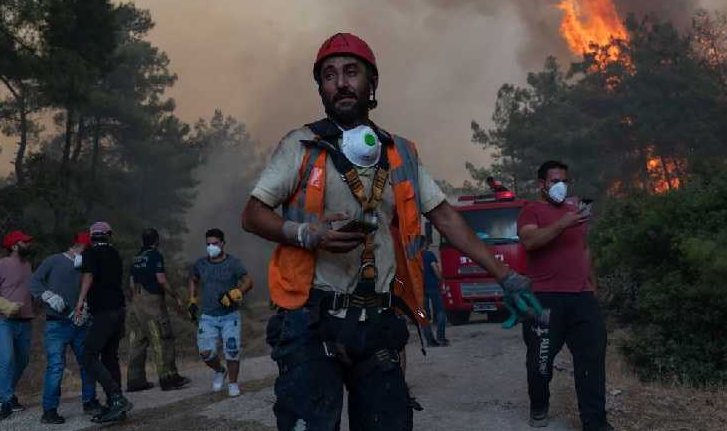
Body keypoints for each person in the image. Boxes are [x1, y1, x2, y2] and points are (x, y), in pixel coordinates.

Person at [241, 32, 542, 431]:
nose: (341, 82)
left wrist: (506, 276)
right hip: (311, 322)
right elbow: (252, 214)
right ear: (321, 88)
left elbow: (447, 218)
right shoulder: (300, 145)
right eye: (329, 75)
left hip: (378, 321)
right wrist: (304, 233)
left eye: (351, 72)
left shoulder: (399, 152)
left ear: (372, 83)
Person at [517, 160, 613, 431]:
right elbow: (530, 242)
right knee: (540, 363)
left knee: (591, 359)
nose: (560, 186)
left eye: (564, 181)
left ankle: (595, 422)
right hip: (544, 299)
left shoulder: (576, 210)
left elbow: (583, 248)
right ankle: (539, 404)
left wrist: (592, 283)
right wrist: (563, 223)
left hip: (582, 297)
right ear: (541, 184)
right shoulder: (530, 211)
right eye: (554, 180)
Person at [30, 231, 104, 424]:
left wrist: (87, 306)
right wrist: (48, 296)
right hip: (56, 323)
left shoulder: (84, 266)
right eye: (88, 250)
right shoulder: (53, 261)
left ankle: (90, 401)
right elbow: (34, 281)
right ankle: (49, 411)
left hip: (79, 323)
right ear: (80, 247)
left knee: (88, 363)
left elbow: (87, 289)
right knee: (56, 367)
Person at [74, 221, 133, 424]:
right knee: (110, 357)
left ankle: (117, 399)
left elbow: (88, 275)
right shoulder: (114, 253)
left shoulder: (90, 253)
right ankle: (115, 407)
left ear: (91, 237)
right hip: (119, 311)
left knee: (87, 355)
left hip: (104, 313)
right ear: (108, 235)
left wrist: (80, 301)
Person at [187, 228, 253, 398]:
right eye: (208, 244)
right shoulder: (200, 264)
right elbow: (193, 280)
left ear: (223, 243)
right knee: (205, 353)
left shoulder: (233, 263)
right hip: (208, 316)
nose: (211, 247)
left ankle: (233, 383)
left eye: (215, 244)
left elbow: (248, 281)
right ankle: (219, 370)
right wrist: (192, 300)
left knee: (232, 351)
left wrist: (235, 293)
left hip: (230, 316)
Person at [127, 228, 190, 392]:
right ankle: (168, 378)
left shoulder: (136, 258)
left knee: (137, 342)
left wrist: (136, 301)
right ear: (156, 240)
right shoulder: (155, 255)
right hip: (152, 303)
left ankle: (135, 380)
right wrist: (175, 296)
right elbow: (161, 280)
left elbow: (132, 284)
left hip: (136, 302)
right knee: (162, 338)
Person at [0, 230, 35, 421]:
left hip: (25, 320)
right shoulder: (0, 265)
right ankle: (5, 402)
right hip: (4, 321)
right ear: (14, 246)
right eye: (25, 242)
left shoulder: (28, 265)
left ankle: (7, 394)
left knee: (23, 360)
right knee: (7, 359)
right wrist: (6, 306)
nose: (28, 245)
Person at [421, 236, 448, 347]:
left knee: (422, 315)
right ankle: (440, 338)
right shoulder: (429, 254)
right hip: (433, 287)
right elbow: (435, 269)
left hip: (419, 290)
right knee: (441, 312)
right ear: (425, 244)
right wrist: (441, 280)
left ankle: (430, 341)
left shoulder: (413, 256)